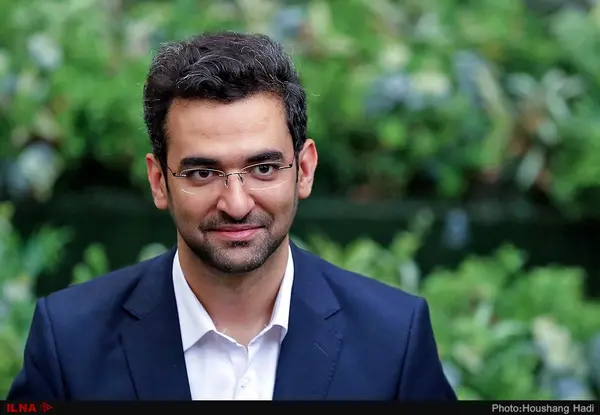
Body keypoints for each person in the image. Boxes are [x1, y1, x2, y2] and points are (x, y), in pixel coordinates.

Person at [7, 31, 456, 401]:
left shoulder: (393, 338)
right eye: (203, 173)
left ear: (303, 170)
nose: (237, 204)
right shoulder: (69, 340)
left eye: (263, 168)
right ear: (159, 181)